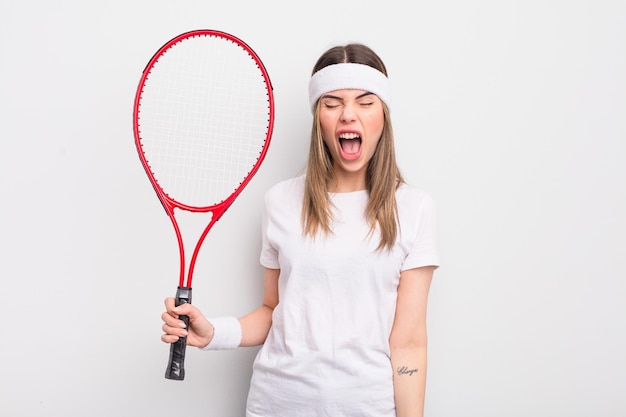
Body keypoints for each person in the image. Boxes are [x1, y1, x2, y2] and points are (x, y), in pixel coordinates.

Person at [161, 43, 440, 417]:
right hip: (276, 402)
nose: (348, 115)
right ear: (318, 119)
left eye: (365, 102)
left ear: (383, 116)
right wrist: (214, 333)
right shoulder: (281, 202)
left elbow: (408, 343)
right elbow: (273, 310)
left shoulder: (414, 208)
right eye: (332, 103)